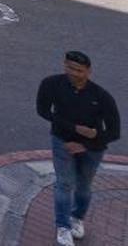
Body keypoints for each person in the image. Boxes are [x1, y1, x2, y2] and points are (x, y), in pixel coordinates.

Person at [37, 49, 120, 244]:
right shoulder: (51, 84)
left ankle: (77, 218)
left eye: (79, 70)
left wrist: (87, 143)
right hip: (62, 142)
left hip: (92, 148)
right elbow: (43, 111)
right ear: (64, 65)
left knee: (83, 186)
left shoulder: (101, 96)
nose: (74, 73)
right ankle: (63, 226)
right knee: (64, 183)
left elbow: (114, 132)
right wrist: (72, 129)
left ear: (88, 71)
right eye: (70, 68)